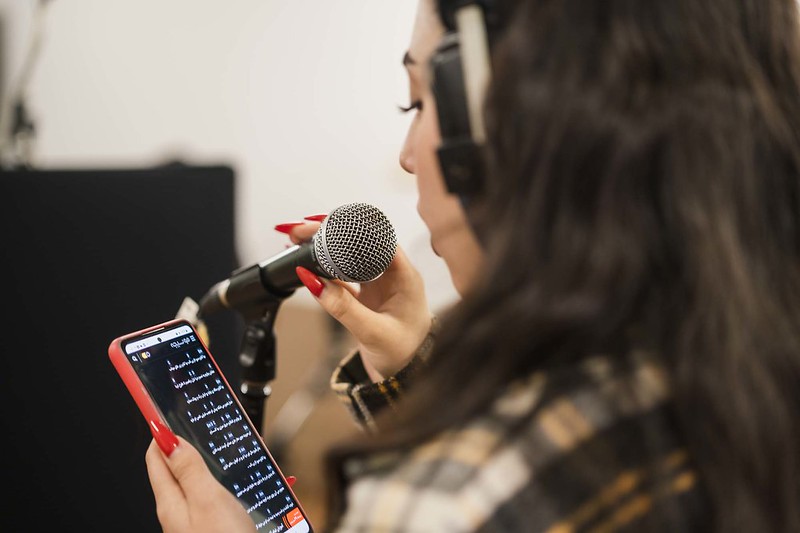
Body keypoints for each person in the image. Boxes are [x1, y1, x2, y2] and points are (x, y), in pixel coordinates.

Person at [144, 0, 800, 531]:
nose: (406, 155)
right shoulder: (753, 371)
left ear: (506, 122)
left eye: (419, 102)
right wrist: (409, 372)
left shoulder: (446, 504)